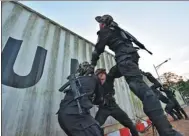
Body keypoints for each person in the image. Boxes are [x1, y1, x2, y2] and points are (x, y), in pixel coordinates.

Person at [90, 14, 183, 136]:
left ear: (103, 23)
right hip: (129, 59)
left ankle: (168, 132)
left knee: (141, 90)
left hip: (125, 60)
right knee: (113, 74)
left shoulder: (106, 31)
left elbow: (98, 49)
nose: (99, 25)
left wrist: (92, 65)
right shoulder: (118, 30)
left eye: (100, 23)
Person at [57, 61, 104, 136]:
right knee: (97, 131)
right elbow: (99, 100)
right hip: (76, 116)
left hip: (62, 116)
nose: (103, 80)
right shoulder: (94, 79)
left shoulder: (77, 80)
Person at [95, 66, 139, 136]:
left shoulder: (109, 79)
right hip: (103, 109)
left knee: (130, 124)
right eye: (98, 77)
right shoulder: (95, 85)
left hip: (114, 107)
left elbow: (114, 71)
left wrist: (122, 64)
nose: (101, 79)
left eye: (101, 76)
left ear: (105, 75)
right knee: (94, 127)